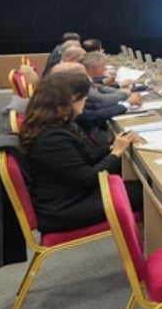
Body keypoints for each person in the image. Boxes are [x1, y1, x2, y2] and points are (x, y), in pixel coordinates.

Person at [18, 72, 142, 233]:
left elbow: (85, 156)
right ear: (70, 99)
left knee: (137, 181)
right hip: (65, 208)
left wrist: (111, 147)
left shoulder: (54, 124)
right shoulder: (52, 139)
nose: (86, 99)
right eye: (83, 96)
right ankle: (142, 243)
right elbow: (88, 179)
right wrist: (116, 153)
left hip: (69, 193)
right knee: (146, 192)